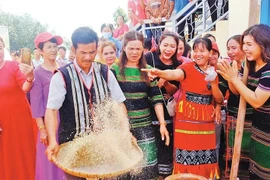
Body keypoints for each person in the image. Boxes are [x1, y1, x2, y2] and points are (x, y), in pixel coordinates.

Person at [44, 27, 127, 180]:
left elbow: (119, 104)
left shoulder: (105, 72)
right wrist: (52, 140)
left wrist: (125, 132)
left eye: (92, 52)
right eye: (83, 52)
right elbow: (52, 111)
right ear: (73, 50)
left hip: (104, 145)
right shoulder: (61, 76)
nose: (88, 57)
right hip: (73, 147)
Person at [142, 38, 223, 178]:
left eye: (202, 50)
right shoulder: (187, 68)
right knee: (185, 157)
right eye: (195, 50)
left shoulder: (213, 72)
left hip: (206, 121)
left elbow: (219, 98)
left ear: (210, 53)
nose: (198, 54)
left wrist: (214, 84)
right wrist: (159, 73)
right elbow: (174, 74)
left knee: (206, 156)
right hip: (187, 120)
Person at [111, 30, 170, 179]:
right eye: (131, 48)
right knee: (123, 168)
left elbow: (156, 98)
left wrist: (162, 123)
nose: (135, 52)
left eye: (138, 48)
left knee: (146, 168)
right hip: (121, 127)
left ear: (143, 49)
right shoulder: (114, 70)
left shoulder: (148, 71)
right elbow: (112, 101)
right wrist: (123, 127)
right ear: (124, 47)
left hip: (145, 126)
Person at [217, 24, 270, 180]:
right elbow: (237, 91)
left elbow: (256, 101)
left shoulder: (268, 70)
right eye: (244, 44)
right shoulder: (249, 65)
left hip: (268, 129)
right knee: (255, 170)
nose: (244, 49)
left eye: (249, 44)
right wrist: (230, 78)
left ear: (263, 43)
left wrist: (233, 78)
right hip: (257, 127)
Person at [30, 32, 66, 180]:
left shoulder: (65, 67)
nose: (53, 50)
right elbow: (36, 103)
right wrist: (43, 130)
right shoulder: (37, 73)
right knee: (50, 164)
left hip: (67, 120)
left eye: (55, 46)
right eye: (49, 47)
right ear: (40, 51)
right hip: (50, 124)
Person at [145, 31, 181, 178]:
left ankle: (164, 176)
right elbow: (142, 80)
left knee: (165, 143)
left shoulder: (178, 65)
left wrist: (165, 83)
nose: (168, 49)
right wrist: (153, 83)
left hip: (167, 109)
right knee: (151, 143)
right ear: (159, 44)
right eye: (165, 45)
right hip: (149, 107)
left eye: (172, 46)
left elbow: (176, 91)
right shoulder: (149, 58)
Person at [0, 36, 36, 180]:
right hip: (2, 122)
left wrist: (30, 77)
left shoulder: (13, 66)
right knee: (5, 156)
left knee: (23, 153)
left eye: (0, 47)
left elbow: (25, 87)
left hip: (19, 119)